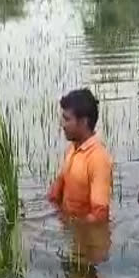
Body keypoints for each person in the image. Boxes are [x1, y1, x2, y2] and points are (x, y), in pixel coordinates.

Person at [48, 89, 113, 223]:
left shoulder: (98, 159)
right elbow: (56, 190)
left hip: (89, 240)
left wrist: (71, 225)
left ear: (83, 122)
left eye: (67, 119)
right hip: (71, 232)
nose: (62, 125)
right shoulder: (72, 148)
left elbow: (100, 215)